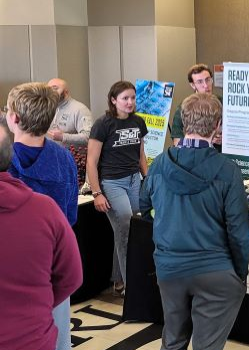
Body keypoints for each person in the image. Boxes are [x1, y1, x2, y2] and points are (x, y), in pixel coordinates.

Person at [140, 93, 249, 350]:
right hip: (216, 270)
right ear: (217, 126)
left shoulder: (158, 166)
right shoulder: (228, 170)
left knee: (173, 340)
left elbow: (144, 210)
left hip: (169, 269)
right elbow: (239, 232)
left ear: (184, 122)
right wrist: (240, 273)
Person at [5, 82, 79, 350]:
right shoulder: (64, 159)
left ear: (13, 118)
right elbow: (70, 216)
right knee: (58, 339)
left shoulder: (6, 162)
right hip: (52, 263)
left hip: (10, 271)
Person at [87, 81, 148, 294]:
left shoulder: (138, 122)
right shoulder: (103, 124)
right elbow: (91, 161)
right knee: (126, 227)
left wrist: (146, 179)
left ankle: (118, 278)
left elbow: (140, 155)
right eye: (125, 98)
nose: (130, 102)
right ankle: (132, 288)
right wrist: (97, 193)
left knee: (127, 230)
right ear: (114, 100)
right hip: (112, 183)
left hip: (133, 180)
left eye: (132, 98)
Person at [170, 63, 223, 149]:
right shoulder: (184, 107)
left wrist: (225, 139)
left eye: (208, 80)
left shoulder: (222, 103)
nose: (206, 85)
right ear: (192, 85)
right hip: (194, 156)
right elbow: (177, 142)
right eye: (200, 82)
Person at [47, 78, 93, 147]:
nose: (51, 92)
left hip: (71, 156)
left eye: (55, 88)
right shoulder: (46, 108)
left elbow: (88, 137)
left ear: (66, 92)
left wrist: (63, 137)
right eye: (48, 89)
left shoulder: (80, 109)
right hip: (51, 154)